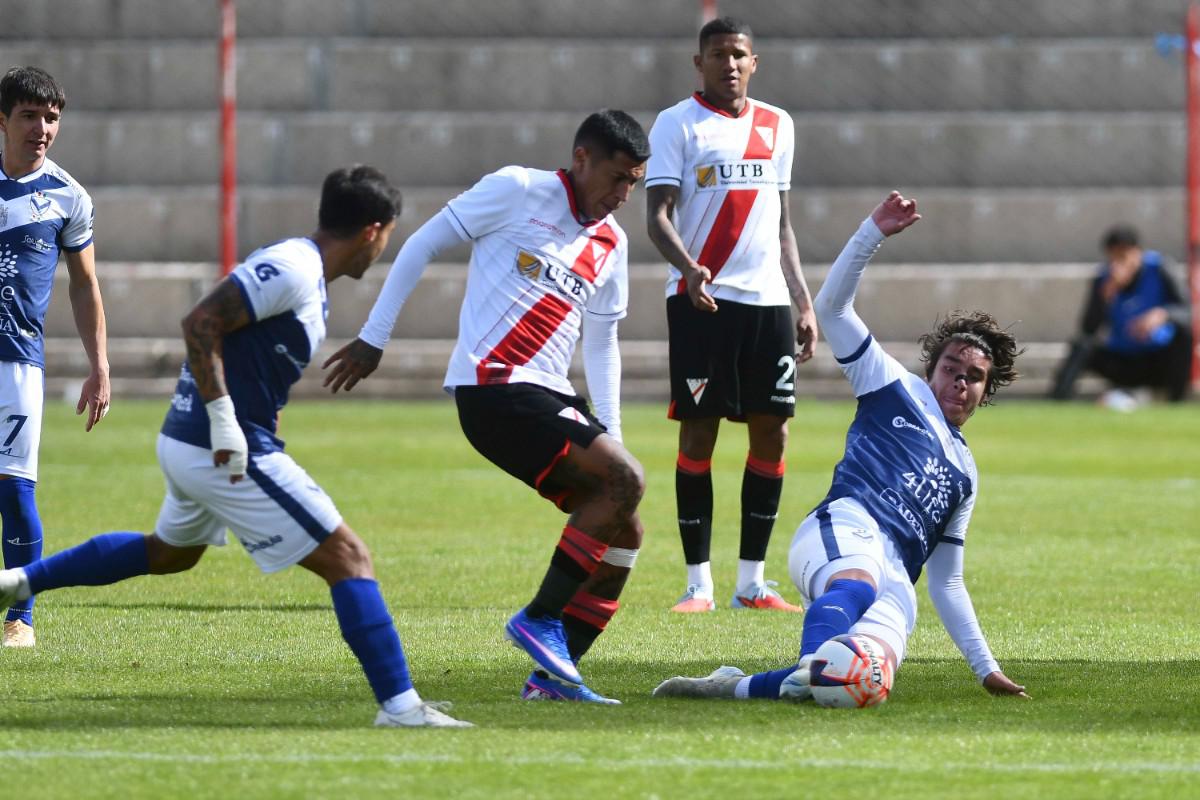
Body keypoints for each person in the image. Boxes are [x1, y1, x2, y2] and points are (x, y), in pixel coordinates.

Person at [0, 166, 471, 728]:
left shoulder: (305, 272)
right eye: (387, 238)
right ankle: (401, 707)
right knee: (349, 558)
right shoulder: (295, 268)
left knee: (171, 553)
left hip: (195, 442)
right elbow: (200, 321)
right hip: (222, 448)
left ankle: (19, 582)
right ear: (374, 231)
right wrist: (224, 422)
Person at [322, 111, 649, 704]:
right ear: (581, 159)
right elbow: (422, 244)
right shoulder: (517, 190)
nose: (623, 195)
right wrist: (375, 335)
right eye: (618, 178)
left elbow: (602, 344)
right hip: (493, 387)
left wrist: (614, 437)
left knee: (625, 527)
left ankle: (553, 681)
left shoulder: (612, 244)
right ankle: (538, 617)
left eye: (635, 183)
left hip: (548, 393)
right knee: (626, 482)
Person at [652, 192, 1030, 704]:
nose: (960, 383)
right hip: (846, 529)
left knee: (863, 685)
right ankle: (814, 664)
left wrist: (986, 669)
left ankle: (735, 686)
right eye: (951, 369)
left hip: (897, 578)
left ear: (987, 391)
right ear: (930, 370)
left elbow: (947, 583)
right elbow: (831, 308)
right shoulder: (892, 385)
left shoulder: (966, 474)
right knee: (856, 595)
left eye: (974, 378)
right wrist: (872, 231)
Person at [645, 16, 818, 614]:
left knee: (774, 430)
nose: (730, 64)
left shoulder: (778, 125)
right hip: (703, 302)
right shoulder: (677, 124)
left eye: (739, 54)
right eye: (718, 54)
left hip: (767, 302)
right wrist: (690, 269)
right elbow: (658, 215)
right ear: (700, 62)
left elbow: (783, 224)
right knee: (700, 430)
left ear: (755, 61)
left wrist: (803, 300)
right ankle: (699, 584)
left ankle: (752, 583)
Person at [0, 66, 110, 648]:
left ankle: (21, 619)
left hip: (17, 362)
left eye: (51, 119)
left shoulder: (68, 196)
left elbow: (84, 283)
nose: (41, 128)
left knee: (14, 491)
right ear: (2, 119)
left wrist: (100, 366)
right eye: (29, 116)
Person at [1050, 224, 1192, 407]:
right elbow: (1088, 329)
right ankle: (1058, 400)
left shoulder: (1160, 269)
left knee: (1184, 336)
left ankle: (1176, 402)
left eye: (1123, 257)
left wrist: (1162, 315)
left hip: (1157, 357)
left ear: (1137, 252)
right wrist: (1104, 300)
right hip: (1123, 359)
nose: (1118, 265)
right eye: (1113, 258)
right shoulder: (1103, 280)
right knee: (1081, 346)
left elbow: (1187, 312)